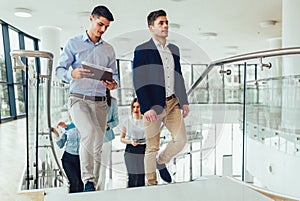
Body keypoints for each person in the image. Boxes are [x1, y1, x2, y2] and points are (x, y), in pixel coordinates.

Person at [55, 5, 119, 192]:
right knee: (89, 132)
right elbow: (59, 70)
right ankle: (87, 180)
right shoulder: (73, 43)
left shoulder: (108, 49)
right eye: (100, 24)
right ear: (91, 18)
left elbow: (115, 75)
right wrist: (72, 73)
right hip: (78, 99)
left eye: (106, 27)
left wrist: (113, 84)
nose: (102, 30)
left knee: (98, 144)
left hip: (100, 102)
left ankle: (94, 185)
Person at [132, 9, 190, 185]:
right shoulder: (142, 50)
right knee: (152, 147)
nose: (165, 26)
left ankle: (161, 161)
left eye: (166, 22)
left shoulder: (174, 49)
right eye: (160, 23)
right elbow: (139, 80)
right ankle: (151, 184)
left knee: (181, 140)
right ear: (151, 27)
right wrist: (146, 107)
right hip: (153, 107)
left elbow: (178, 76)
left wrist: (184, 101)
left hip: (173, 103)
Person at [95, 90, 119, 190]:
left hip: (106, 137)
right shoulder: (90, 101)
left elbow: (116, 120)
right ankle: (91, 188)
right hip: (93, 138)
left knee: (103, 166)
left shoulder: (112, 102)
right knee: (92, 165)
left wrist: (108, 125)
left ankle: (100, 190)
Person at [120, 98, 146, 188]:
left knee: (141, 177)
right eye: (134, 107)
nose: (135, 109)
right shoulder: (127, 121)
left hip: (143, 149)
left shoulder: (146, 120)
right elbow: (122, 138)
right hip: (130, 149)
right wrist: (131, 142)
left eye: (138, 107)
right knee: (132, 176)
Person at [51, 121, 83, 193]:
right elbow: (60, 144)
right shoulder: (67, 127)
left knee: (81, 184)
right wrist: (56, 133)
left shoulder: (85, 125)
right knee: (74, 182)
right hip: (68, 159)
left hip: (81, 159)